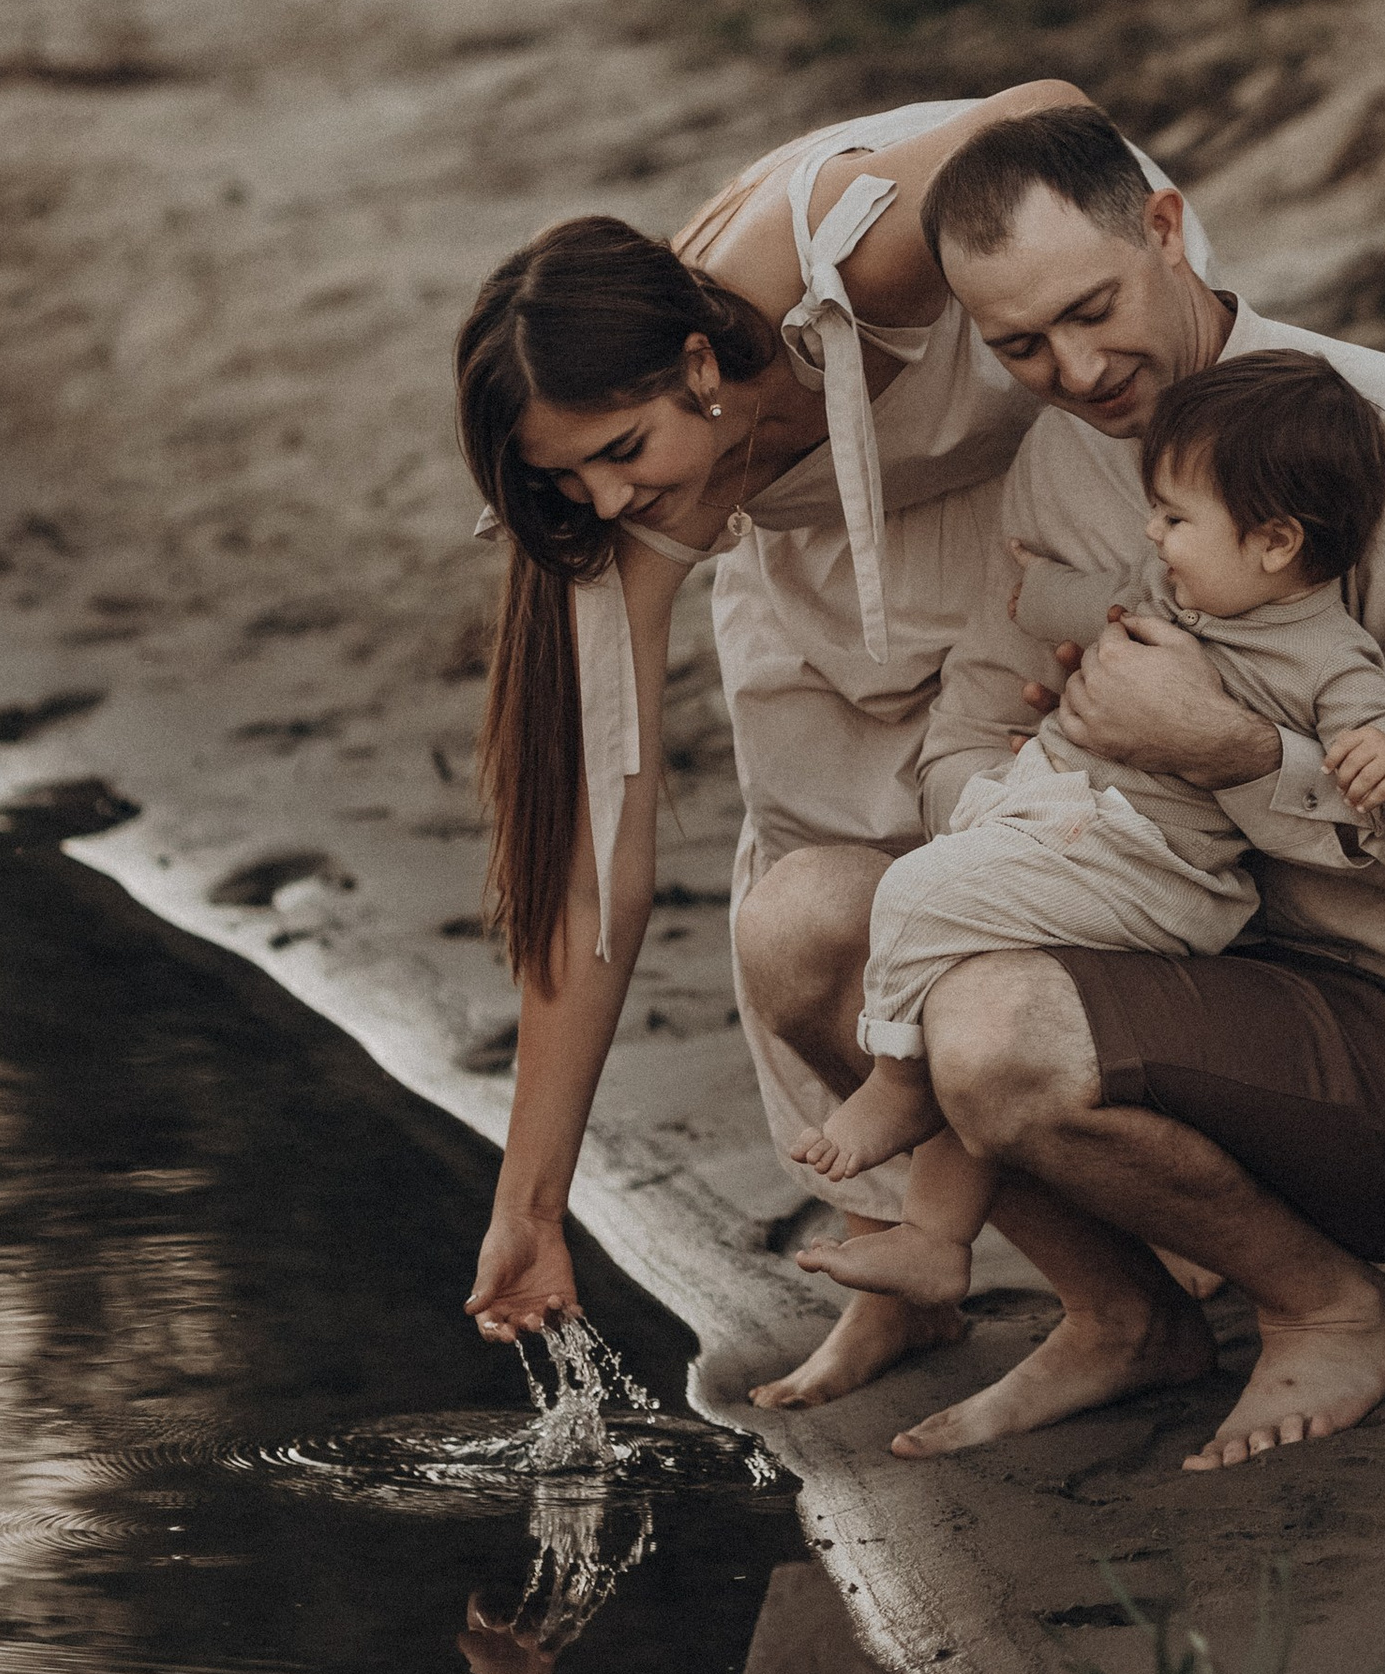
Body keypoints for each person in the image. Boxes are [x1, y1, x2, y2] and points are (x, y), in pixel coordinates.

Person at [732, 102, 1385, 1472]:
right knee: (804, 920)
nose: (1073, 367)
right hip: (1171, 950)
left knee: (998, 1028)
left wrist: (1235, 756)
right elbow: (960, 740)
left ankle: (1335, 1304)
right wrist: (1050, 816)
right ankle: (1124, 1314)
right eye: (1017, 345)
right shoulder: (1066, 454)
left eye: (1093, 308)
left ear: (1168, 229)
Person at [450, 84, 1203, 1412]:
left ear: (697, 362)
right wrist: (531, 1201)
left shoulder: (849, 255)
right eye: (571, 482)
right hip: (817, 557)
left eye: (620, 452)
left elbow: (1049, 112)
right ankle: (908, 1271)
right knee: (805, 908)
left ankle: (1180, 1219)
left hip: (1042, 479)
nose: (608, 501)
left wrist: (1080, 322)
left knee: (1055, 868)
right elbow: (598, 874)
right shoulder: (632, 498)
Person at [787, 350, 1385, 1308]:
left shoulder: (1323, 653)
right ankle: (933, 1236)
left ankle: (895, 1077)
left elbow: (1384, 746)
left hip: (1153, 867)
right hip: (1078, 828)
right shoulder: (1179, 590)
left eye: (1175, 519)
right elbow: (1097, 599)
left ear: (1276, 542)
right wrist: (1032, 596)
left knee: (919, 890)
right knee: (960, 963)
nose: (1153, 534)